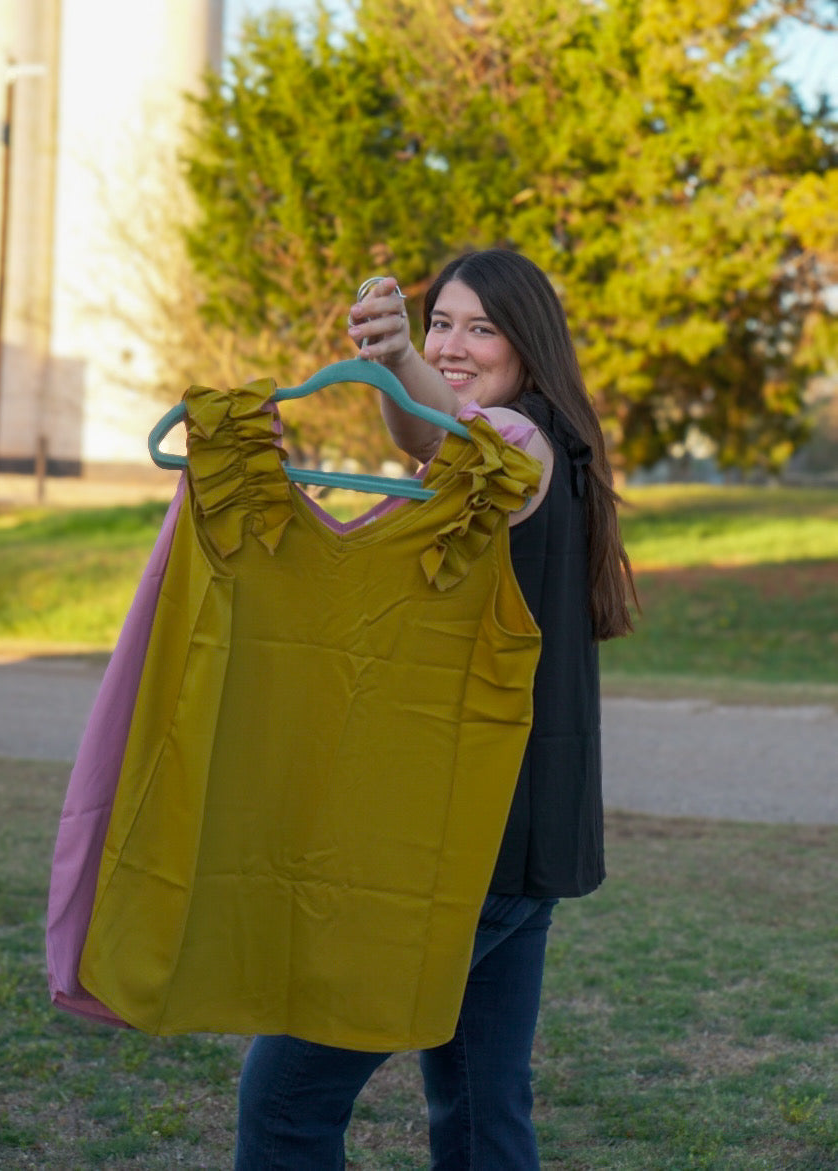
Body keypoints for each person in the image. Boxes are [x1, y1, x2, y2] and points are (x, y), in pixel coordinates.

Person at [234, 247, 637, 1170]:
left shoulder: (520, 443)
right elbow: (429, 438)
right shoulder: (546, 442)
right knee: (480, 1110)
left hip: (470, 842)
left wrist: (402, 357)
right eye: (441, 322)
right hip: (519, 842)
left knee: (285, 1099)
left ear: (527, 344)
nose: (454, 345)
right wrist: (395, 364)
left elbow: (458, 433)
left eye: (480, 329)